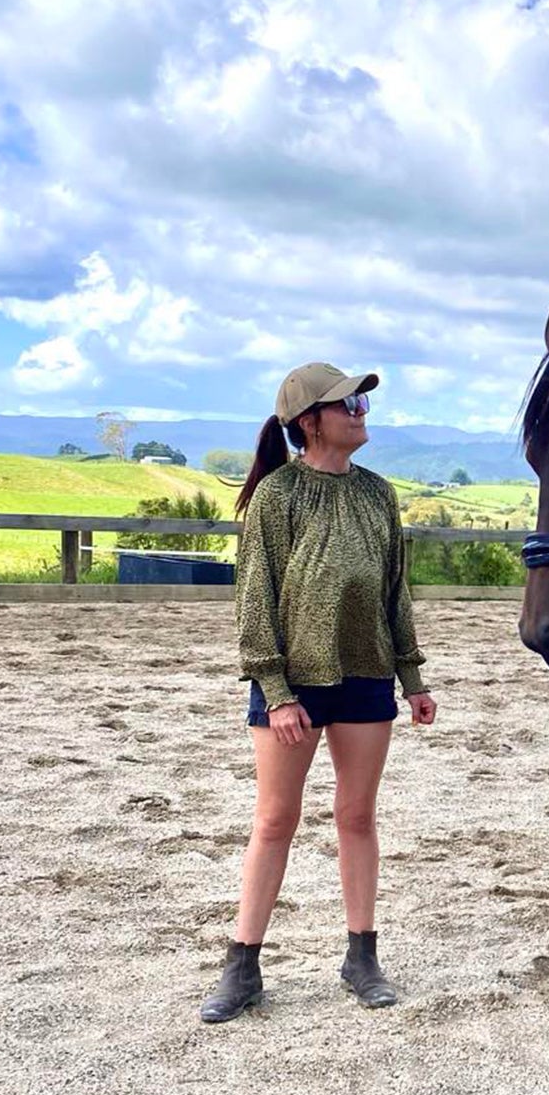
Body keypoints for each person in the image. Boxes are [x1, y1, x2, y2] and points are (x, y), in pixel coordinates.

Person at [199, 362, 437, 1024]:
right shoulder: (276, 496)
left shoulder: (379, 494)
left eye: (362, 400)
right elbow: (255, 601)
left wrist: (412, 679)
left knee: (357, 816)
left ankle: (362, 957)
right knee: (275, 819)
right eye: (349, 402)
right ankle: (242, 965)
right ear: (310, 420)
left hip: (367, 674)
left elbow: (396, 591)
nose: (362, 410)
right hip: (292, 682)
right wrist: (275, 692)